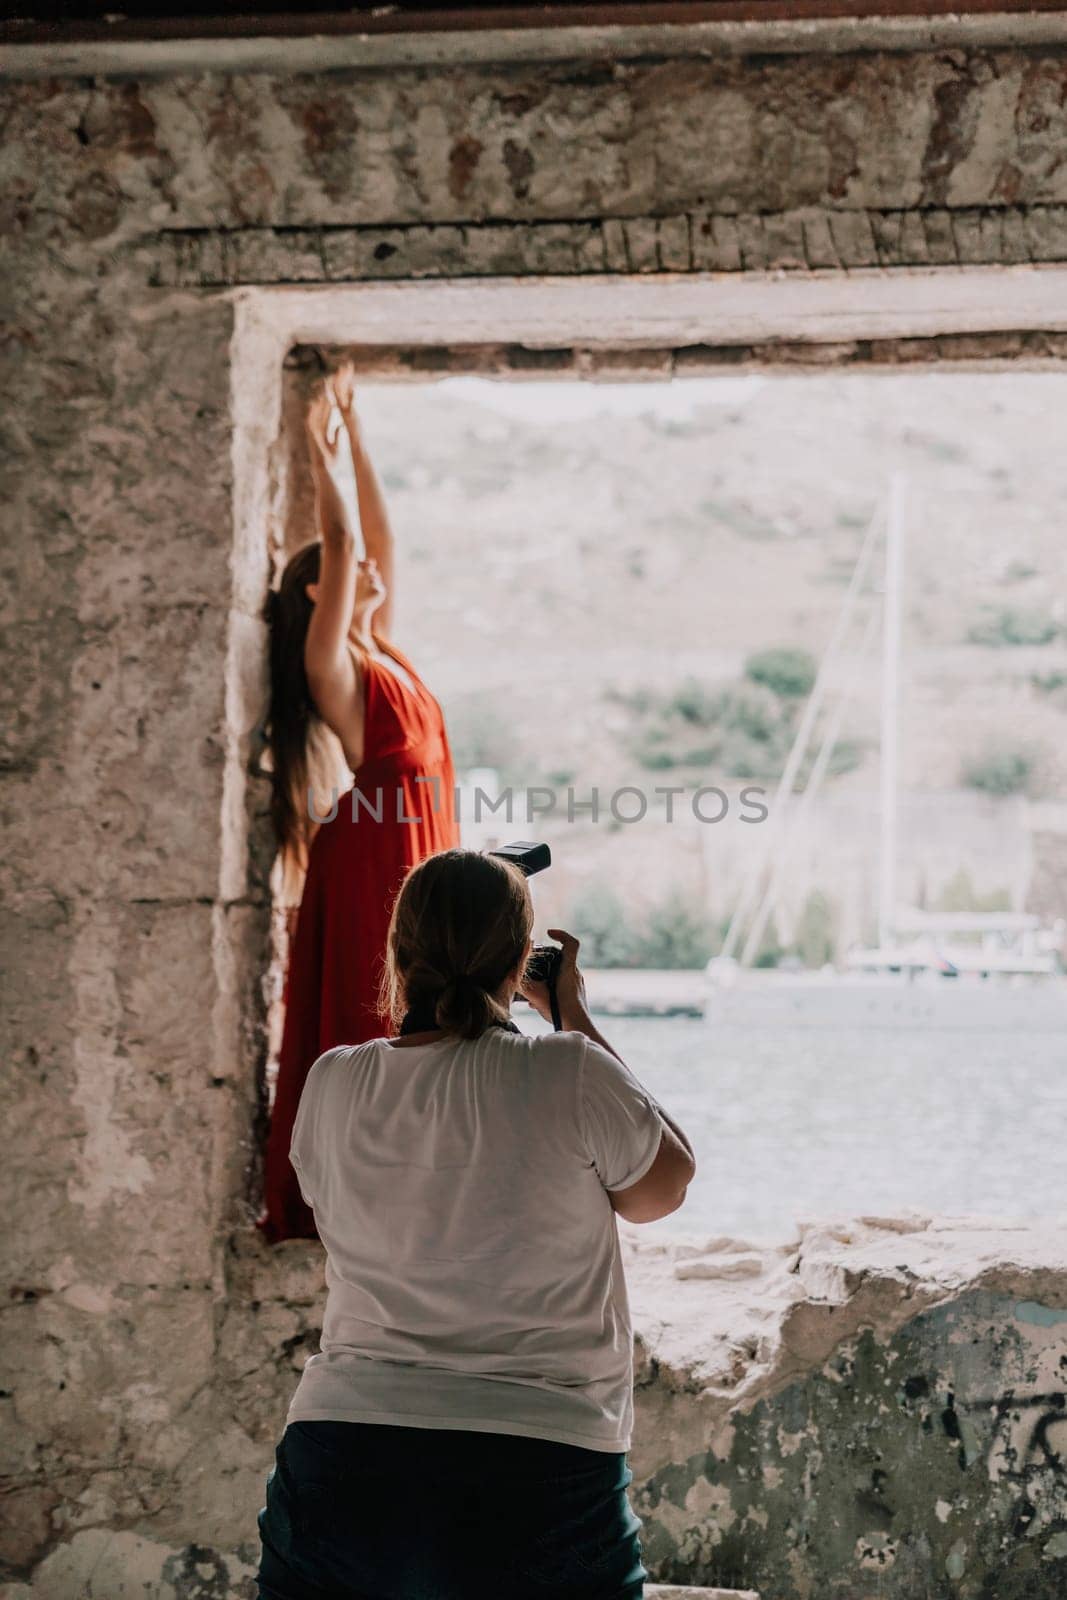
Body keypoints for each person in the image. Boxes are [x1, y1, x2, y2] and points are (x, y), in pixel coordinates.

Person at [256, 847, 697, 1600]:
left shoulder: (333, 1081)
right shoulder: (566, 1068)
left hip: (342, 1451)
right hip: (537, 1463)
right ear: (522, 959)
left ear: (399, 953)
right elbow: (663, 1187)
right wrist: (572, 1013)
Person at [261, 366, 459, 1244]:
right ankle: (356, 1205)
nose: (370, 570)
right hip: (377, 855)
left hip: (413, 844)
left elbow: (377, 541)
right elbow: (344, 546)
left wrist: (356, 429)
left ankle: (421, 1195)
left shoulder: (383, 651)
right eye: (348, 573)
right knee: (375, 1018)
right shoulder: (330, 668)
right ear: (318, 597)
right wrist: (313, 440)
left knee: (424, 1017)